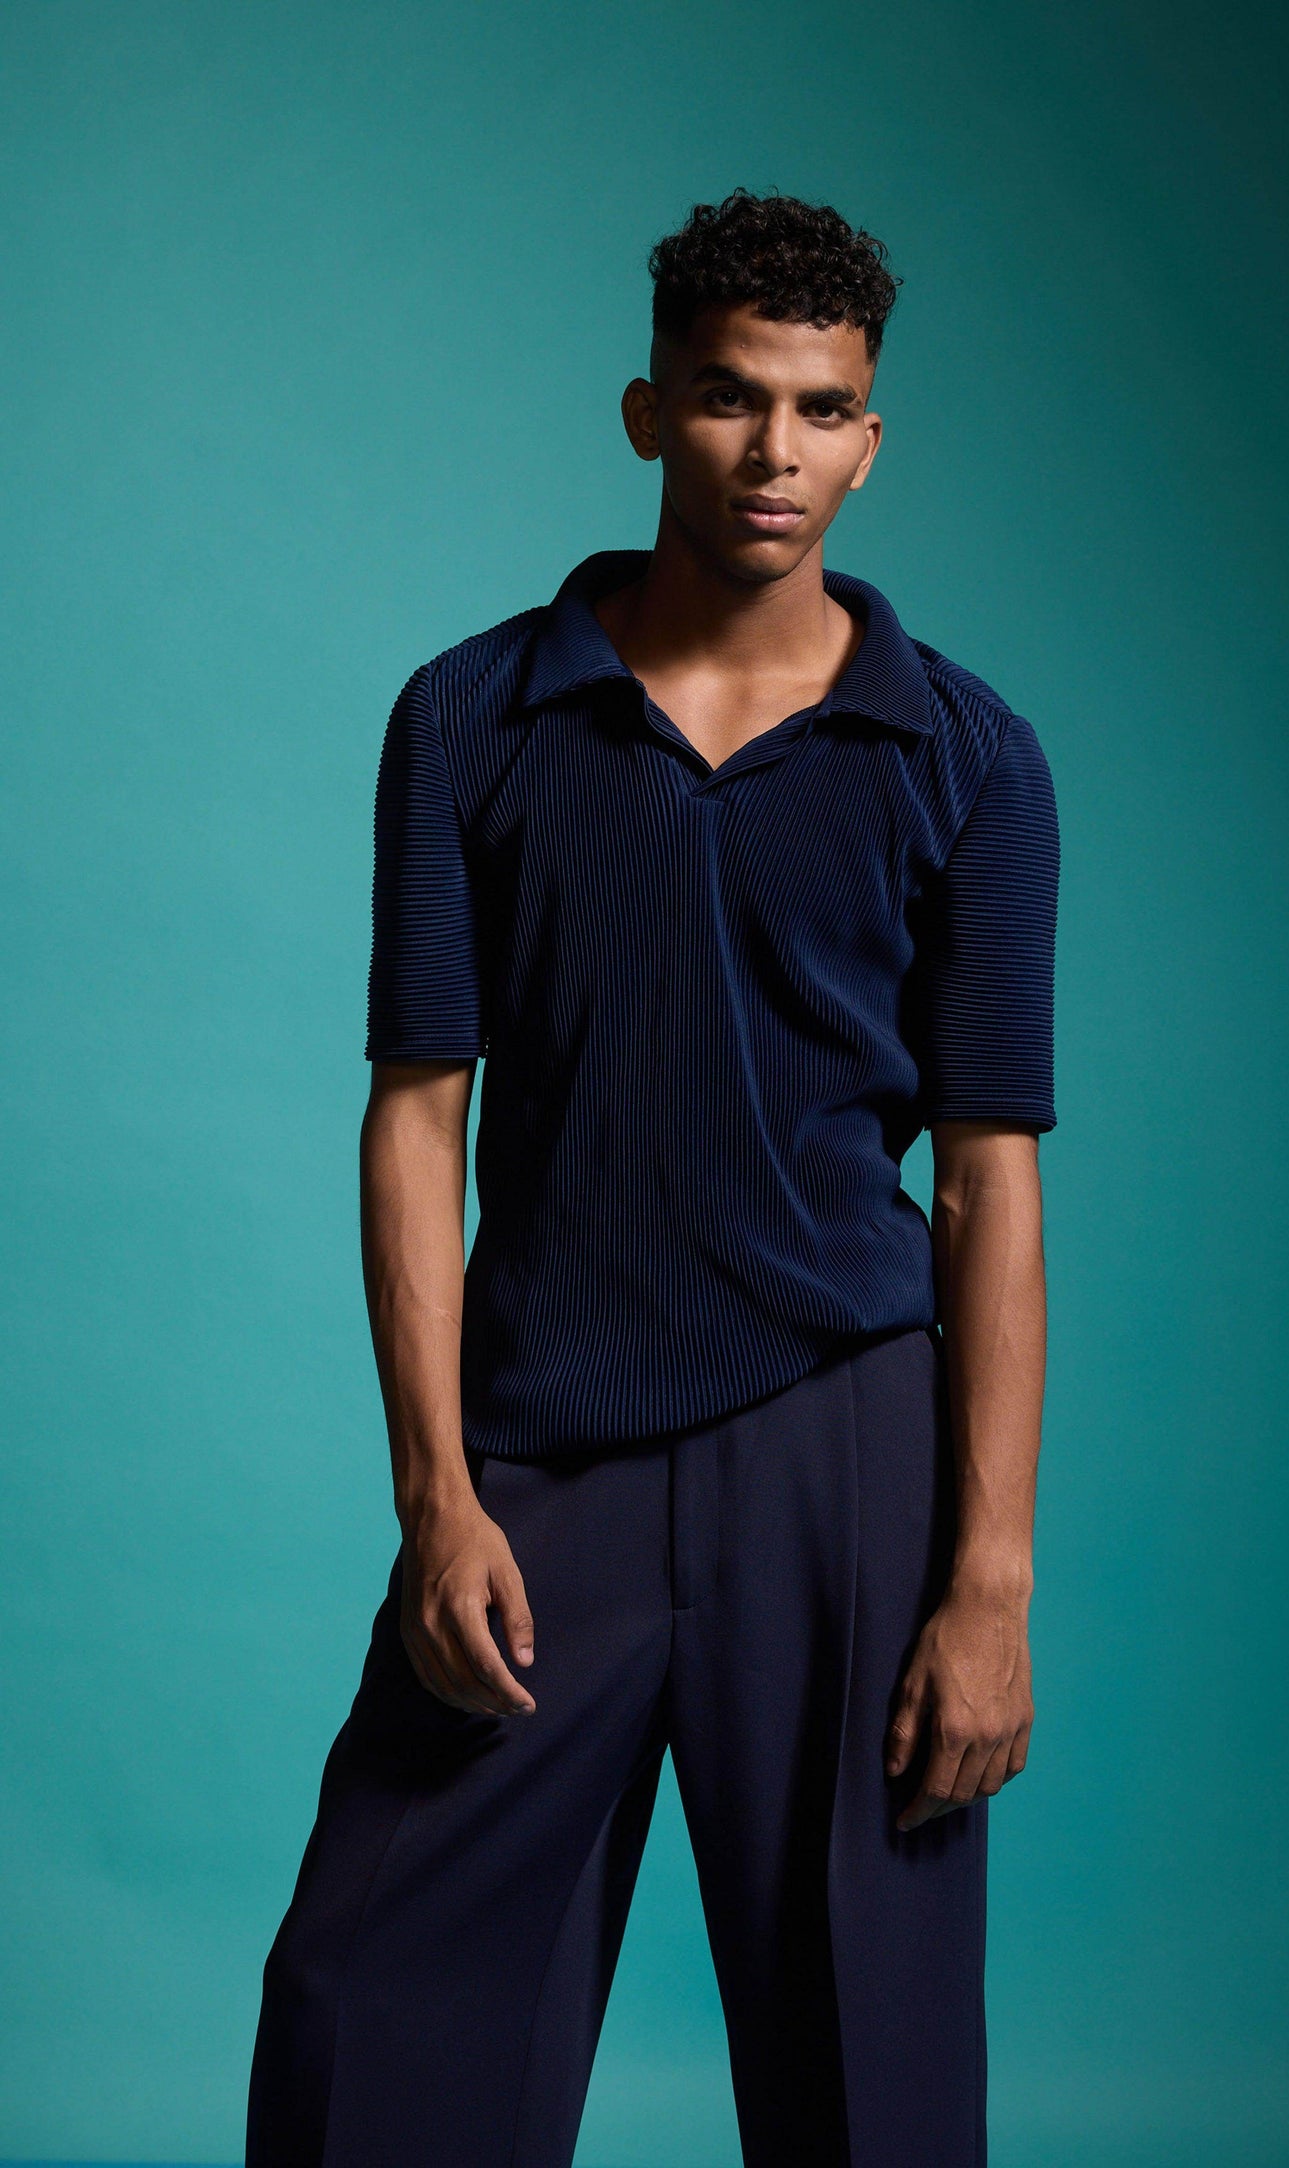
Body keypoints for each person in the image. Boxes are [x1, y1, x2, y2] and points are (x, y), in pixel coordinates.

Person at [246, 185, 1059, 2168]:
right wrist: (436, 1497)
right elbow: (418, 1118)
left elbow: (986, 1186)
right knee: (371, 2027)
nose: (773, 450)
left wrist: (987, 1579)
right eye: (726, 396)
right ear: (646, 412)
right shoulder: (473, 716)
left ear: (869, 438)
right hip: (547, 1448)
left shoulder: (967, 756)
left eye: (820, 408)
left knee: (872, 2065)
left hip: (845, 1447)